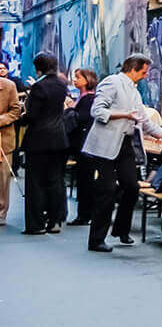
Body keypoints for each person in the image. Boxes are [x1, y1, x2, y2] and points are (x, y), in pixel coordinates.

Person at [84, 55, 162, 252]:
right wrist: (124, 115)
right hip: (105, 145)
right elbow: (97, 111)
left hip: (125, 143)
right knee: (106, 191)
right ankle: (96, 239)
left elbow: (143, 120)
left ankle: (121, 229)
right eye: (144, 71)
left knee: (132, 186)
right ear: (133, 68)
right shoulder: (112, 82)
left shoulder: (134, 91)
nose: (146, 75)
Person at [20, 52, 70, 234]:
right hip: (59, 138)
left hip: (39, 139)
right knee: (55, 180)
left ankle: (36, 224)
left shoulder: (38, 87)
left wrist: (22, 117)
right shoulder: (61, 85)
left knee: (35, 182)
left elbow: (32, 115)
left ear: (38, 67)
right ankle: (55, 220)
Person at [68, 68, 99, 225]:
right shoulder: (82, 98)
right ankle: (84, 213)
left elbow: (82, 118)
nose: (75, 80)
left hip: (85, 144)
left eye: (78, 77)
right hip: (81, 144)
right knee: (83, 178)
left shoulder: (89, 99)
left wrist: (69, 111)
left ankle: (85, 214)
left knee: (86, 179)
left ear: (87, 80)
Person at [0, 62, 19, 226]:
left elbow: (15, 111)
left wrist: (1, 119)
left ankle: (1, 212)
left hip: (3, 140)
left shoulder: (9, 86)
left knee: (3, 178)